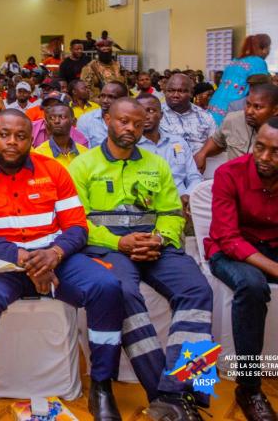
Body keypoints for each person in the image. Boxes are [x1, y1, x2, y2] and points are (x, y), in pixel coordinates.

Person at [0, 109, 124, 421]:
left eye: (20, 136)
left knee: (107, 287)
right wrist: (27, 260)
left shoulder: (54, 171)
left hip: (55, 257)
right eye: (4, 135)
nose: (12, 142)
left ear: (32, 141)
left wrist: (54, 254)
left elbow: (77, 227)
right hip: (4, 265)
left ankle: (102, 385)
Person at [69, 98, 214, 419]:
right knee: (123, 294)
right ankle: (164, 394)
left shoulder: (156, 163)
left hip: (155, 247)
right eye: (123, 121)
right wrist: (119, 243)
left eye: (137, 123)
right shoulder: (83, 165)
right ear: (107, 119)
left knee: (199, 290)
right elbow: (76, 223)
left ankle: (178, 390)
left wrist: (160, 238)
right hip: (108, 249)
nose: (130, 128)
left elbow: (173, 213)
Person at [206, 119, 278, 421]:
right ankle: (248, 388)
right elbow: (228, 237)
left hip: (272, 246)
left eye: (276, 152)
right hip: (230, 251)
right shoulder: (229, 173)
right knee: (251, 286)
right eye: (260, 147)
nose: (264, 157)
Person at [136, 93, 202, 218]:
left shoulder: (178, 142)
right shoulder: (131, 147)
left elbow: (194, 176)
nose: (146, 116)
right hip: (146, 209)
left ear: (161, 115)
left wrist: (188, 195)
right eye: (140, 111)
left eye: (151, 110)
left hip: (181, 205)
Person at [194, 83, 278, 173]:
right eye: (248, 104)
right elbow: (217, 141)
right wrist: (202, 153)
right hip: (234, 182)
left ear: (275, 110)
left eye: (257, 107)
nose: (249, 111)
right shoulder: (233, 120)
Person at [208, 34, 271, 124]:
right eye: (269, 47)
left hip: (215, 105)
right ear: (264, 49)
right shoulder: (258, 62)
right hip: (233, 109)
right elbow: (262, 91)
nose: (268, 51)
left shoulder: (234, 61)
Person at [160, 73, 216, 155]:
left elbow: (216, 142)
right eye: (170, 91)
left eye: (180, 91)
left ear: (191, 93)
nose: (175, 95)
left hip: (200, 162)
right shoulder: (156, 115)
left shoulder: (205, 116)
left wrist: (202, 154)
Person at [33, 101, 88, 166]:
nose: (56, 121)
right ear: (47, 122)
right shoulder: (39, 153)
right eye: (52, 118)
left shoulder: (84, 152)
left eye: (63, 117)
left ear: (73, 121)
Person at [76, 81, 128, 148]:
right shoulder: (85, 120)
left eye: (111, 97)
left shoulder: (132, 120)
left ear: (123, 99)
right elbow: (83, 150)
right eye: (102, 96)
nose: (105, 101)